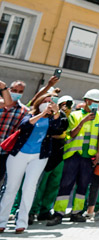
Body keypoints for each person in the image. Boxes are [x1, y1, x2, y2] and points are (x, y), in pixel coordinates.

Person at [0, 93, 67, 233]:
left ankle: (21, 223)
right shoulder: (29, 114)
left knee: (29, 188)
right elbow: (25, 126)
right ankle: (2, 221)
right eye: (46, 100)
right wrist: (42, 113)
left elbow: (57, 128)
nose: (48, 103)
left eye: (51, 101)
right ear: (40, 102)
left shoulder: (52, 118)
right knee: (11, 188)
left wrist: (56, 113)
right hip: (19, 154)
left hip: (39, 156)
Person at [47, 89, 99, 226]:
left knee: (83, 186)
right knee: (66, 184)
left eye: (98, 102)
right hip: (73, 155)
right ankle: (59, 213)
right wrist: (84, 121)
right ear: (87, 101)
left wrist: (98, 153)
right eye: (94, 101)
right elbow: (72, 134)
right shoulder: (74, 115)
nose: (96, 105)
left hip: (89, 157)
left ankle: (77, 213)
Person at [30, 95, 73, 223]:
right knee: (40, 185)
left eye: (69, 104)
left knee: (53, 185)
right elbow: (53, 130)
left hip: (59, 154)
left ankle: (45, 211)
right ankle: (32, 211)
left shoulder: (65, 117)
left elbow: (62, 129)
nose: (66, 106)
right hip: (45, 152)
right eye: (64, 103)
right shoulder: (46, 115)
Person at [0, 80, 29, 182]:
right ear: (8, 90)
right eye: (14, 90)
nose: (17, 93)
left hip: (4, 153)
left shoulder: (24, 111)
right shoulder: (1, 104)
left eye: (20, 92)